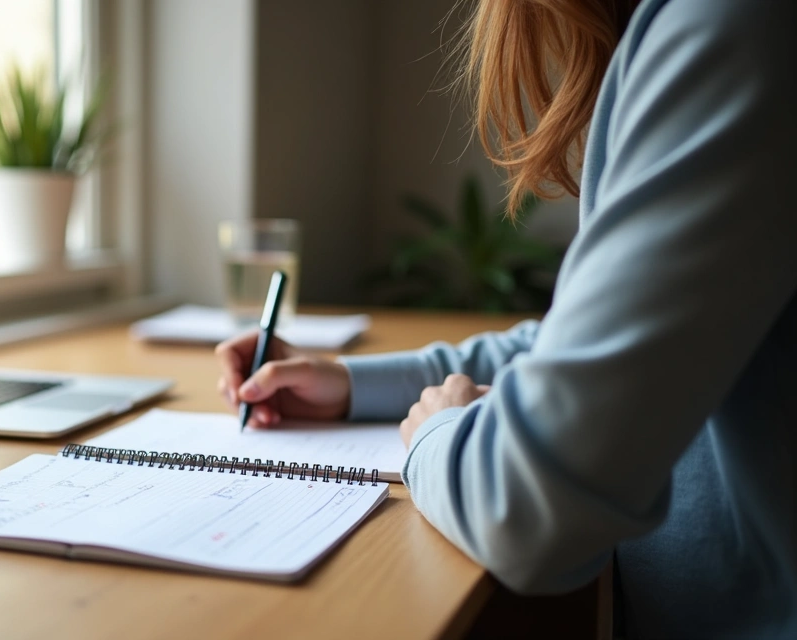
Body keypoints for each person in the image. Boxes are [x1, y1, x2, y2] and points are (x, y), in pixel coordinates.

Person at [215, 0, 796, 637]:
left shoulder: (733, 25)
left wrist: (439, 435)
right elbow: (576, 347)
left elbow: (529, 511)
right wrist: (354, 386)